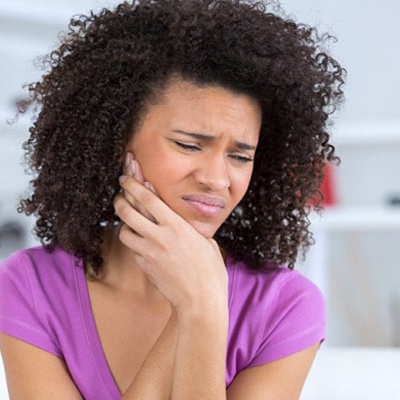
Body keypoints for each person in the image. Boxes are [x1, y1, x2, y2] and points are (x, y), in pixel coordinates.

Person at [0, 0, 345, 398]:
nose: (216, 179)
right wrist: (194, 304)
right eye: (188, 145)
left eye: (240, 156)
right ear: (117, 142)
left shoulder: (284, 306)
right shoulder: (32, 287)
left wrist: (202, 311)